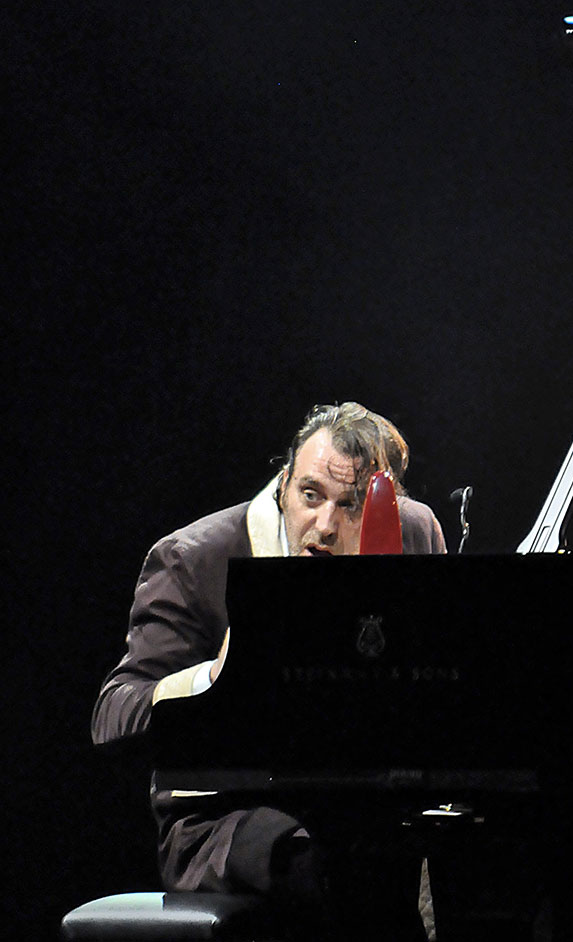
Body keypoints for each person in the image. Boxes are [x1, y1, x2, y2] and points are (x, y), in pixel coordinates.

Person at [92, 401, 446, 941]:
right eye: (311, 495)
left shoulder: (415, 532)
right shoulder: (196, 558)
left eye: (351, 505)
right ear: (283, 485)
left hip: (371, 803)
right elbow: (113, 715)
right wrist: (214, 677)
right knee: (341, 868)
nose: (324, 526)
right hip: (229, 818)